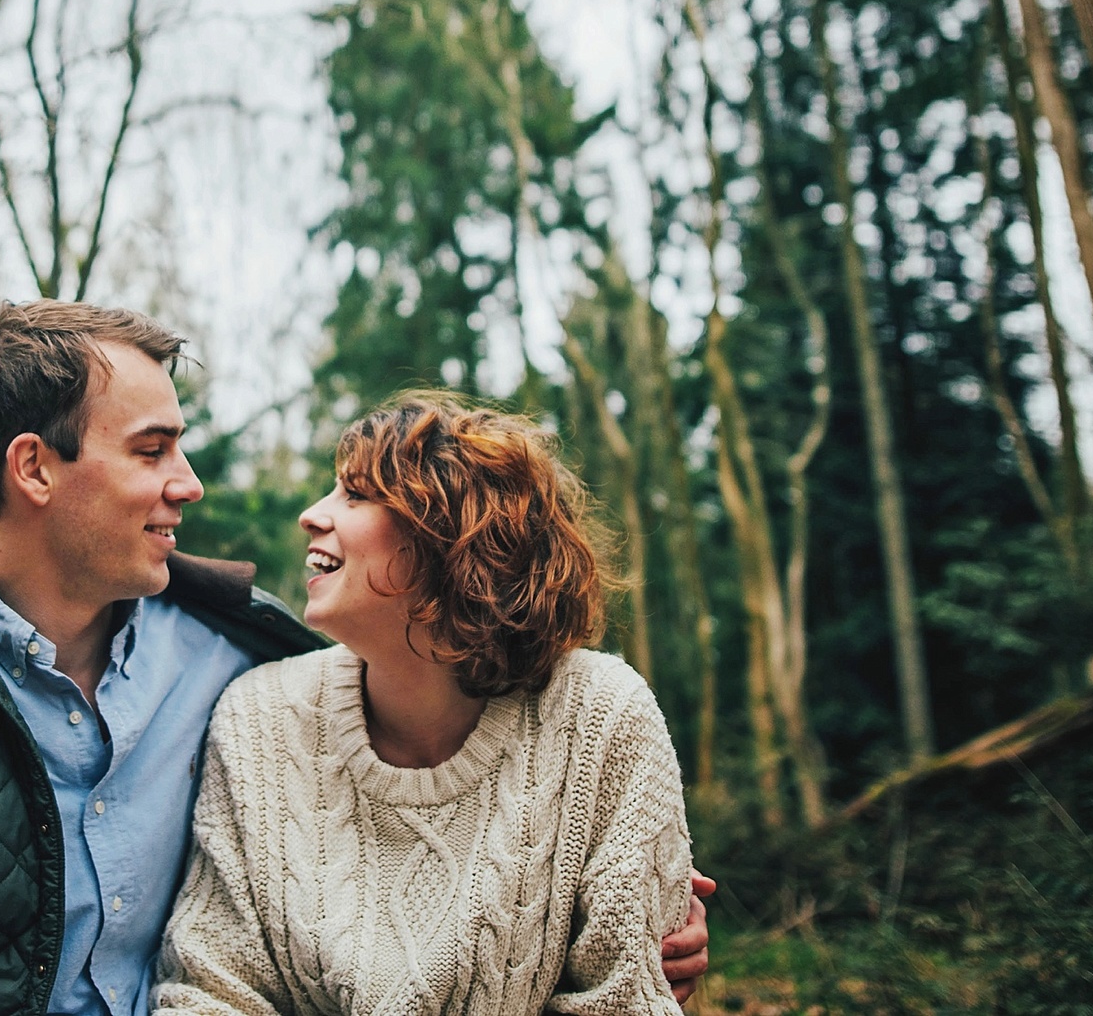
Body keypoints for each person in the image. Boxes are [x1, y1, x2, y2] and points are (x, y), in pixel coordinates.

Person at [0, 302, 710, 1016]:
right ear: (34, 467)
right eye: (151, 451)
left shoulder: (250, 657)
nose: (188, 483)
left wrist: (619, 912)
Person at [155, 393, 693, 1015]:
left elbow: (624, 998)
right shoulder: (259, 718)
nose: (311, 515)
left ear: (453, 536)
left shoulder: (600, 715)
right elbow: (211, 990)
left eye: (355, 496)